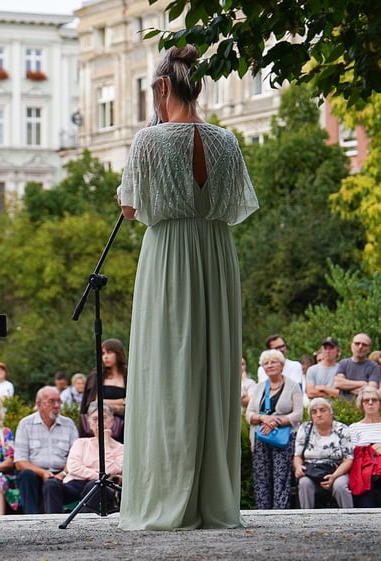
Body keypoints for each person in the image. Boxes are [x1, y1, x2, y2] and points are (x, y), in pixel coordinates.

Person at [116, 45, 258, 530]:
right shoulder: (227, 141)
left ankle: (166, 494)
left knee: (167, 373)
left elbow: (132, 209)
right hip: (216, 255)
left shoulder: (148, 142)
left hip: (170, 255)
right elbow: (236, 205)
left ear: (161, 87)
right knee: (211, 371)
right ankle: (211, 497)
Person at [246, 349, 303, 510]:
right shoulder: (258, 388)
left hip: (283, 438)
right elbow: (249, 414)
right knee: (261, 478)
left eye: (273, 362)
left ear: (282, 365)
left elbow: (298, 414)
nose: (269, 365)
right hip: (260, 438)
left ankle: (280, 512)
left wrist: (276, 421)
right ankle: (263, 512)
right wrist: (263, 418)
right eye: (266, 363)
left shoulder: (293, 386)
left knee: (281, 477)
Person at [43, 401, 123, 514]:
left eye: (104, 418)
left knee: (94, 485)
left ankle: (81, 525)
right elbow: (73, 467)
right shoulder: (80, 443)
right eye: (95, 419)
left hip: (102, 489)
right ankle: (52, 523)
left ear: (112, 421)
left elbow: (112, 470)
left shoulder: (120, 448)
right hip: (75, 483)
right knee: (51, 484)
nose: (99, 423)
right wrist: (99, 475)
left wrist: (105, 442)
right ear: (89, 423)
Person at [14, 386, 78, 514]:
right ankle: (31, 520)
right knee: (26, 475)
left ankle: (57, 523)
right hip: (36, 475)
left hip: (62, 475)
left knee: (58, 484)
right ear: (39, 404)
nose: (56, 405)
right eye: (51, 401)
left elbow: (76, 457)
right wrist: (42, 473)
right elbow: (20, 462)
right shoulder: (26, 424)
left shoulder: (69, 424)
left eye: (59, 401)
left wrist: (63, 473)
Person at [293, 398, 354, 509]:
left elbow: (348, 459)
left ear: (330, 413)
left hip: (337, 470)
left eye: (322, 410)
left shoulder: (342, 429)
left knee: (340, 486)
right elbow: (297, 456)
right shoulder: (305, 428)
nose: (319, 414)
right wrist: (298, 467)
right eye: (314, 412)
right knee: (304, 483)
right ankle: (306, 520)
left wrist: (334, 476)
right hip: (312, 471)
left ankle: (350, 519)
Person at [348, 387, 381, 508]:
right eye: (366, 400)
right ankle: (367, 518)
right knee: (365, 475)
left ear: (380, 403)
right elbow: (352, 452)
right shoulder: (354, 428)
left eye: (374, 400)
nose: (370, 403)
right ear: (362, 405)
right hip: (365, 467)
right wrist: (372, 449)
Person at [79, 339, 127, 441]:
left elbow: (132, 403)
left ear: (118, 353)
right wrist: (122, 401)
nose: (105, 357)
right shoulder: (96, 376)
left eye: (109, 352)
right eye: (103, 353)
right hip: (98, 426)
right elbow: (93, 403)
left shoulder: (128, 375)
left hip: (125, 427)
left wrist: (104, 402)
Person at [334, 333, 381, 400]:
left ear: (369, 349)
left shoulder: (374, 366)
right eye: (357, 343)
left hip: (364, 407)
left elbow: (371, 391)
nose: (360, 347)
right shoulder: (343, 363)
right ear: (351, 345)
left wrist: (346, 386)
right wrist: (363, 383)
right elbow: (338, 384)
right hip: (343, 407)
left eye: (364, 345)